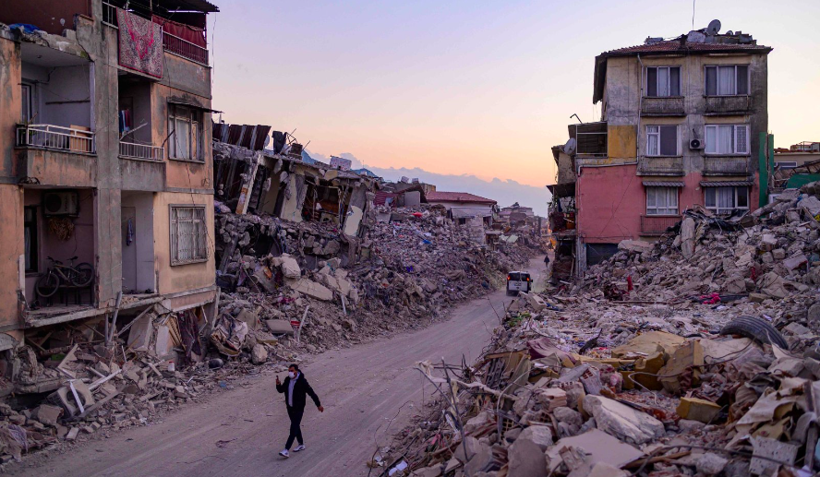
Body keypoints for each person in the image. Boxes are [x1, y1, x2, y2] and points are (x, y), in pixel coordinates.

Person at [276, 364, 323, 458]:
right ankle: (301, 444)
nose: (290, 372)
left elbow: (312, 393)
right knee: (296, 425)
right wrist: (278, 385)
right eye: (289, 371)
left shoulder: (302, 382)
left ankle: (286, 449)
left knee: (293, 428)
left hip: (299, 409)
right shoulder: (288, 380)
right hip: (290, 407)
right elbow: (281, 390)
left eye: (292, 370)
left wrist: (318, 405)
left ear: (297, 371)